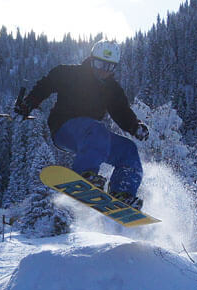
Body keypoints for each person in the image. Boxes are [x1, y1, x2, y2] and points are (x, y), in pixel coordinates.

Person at [16, 40, 149, 206]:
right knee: (96, 129)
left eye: (109, 67)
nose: (102, 70)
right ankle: (84, 175)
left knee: (128, 149)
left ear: (114, 68)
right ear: (91, 59)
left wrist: (134, 126)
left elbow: (121, 111)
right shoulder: (70, 74)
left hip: (92, 138)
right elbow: (46, 85)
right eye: (99, 64)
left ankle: (122, 193)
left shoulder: (112, 90)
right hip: (64, 128)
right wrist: (29, 103)